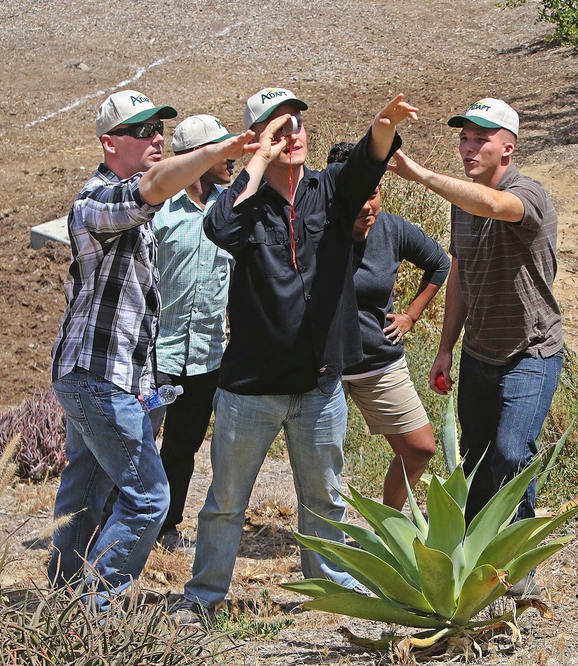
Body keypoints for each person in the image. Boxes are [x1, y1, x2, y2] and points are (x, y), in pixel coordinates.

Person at [173, 89, 418, 624]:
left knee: (324, 500)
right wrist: (256, 162)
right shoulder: (245, 201)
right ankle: (205, 596)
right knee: (225, 504)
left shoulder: (331, 190)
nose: (292, 135)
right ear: (260, 140)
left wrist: (383, 124)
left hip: (319, 384)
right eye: (278, 129)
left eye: (297, 124)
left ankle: (328, 587)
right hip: (250, 388)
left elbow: (367, 161)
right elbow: (219, 229)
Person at [48, 90, 253, 609]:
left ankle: (64, 595)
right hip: (99, 374)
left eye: (159, 128)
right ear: (109, 143)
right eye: (142, 131)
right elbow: (149, 192)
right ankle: (96, 607)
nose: (156, 137)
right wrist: (215, 150)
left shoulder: (134, 199)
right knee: (148, 497)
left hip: (109, 375)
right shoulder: (97, 198)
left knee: (88, 487)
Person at [389, 98, 563, 599]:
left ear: (507, 147)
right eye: (464, 138)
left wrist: (418, 174)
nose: (468, 147)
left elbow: (492, 206)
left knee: (512, 453)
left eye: (480, 139)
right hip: (479, 353)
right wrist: (446, 347)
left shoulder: (527, 194)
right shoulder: (461, 205)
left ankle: (516, 562)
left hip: (532, 351)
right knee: (478, 457)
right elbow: (460, 272)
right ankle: (476, 563)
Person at [327, 142, 450, 510]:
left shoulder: (391, 229)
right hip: (324, 368)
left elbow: (439, 263)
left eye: (374, 193)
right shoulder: (314, 229)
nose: (367, 205)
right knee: (319, 461)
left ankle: (388, 531)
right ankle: (323, 542)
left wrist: (411, 315)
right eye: (357, 195)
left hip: (377, 363)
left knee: (420, 449)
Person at [149, 114, 238, 551]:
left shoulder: (232, 208)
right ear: (196, 157)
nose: (232, 159)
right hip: (155, 356)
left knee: (182, 447)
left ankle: (167, 526)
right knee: (137, 442)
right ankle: (116, 525)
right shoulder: (159, 212)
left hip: (207, 357)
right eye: (222, 151)